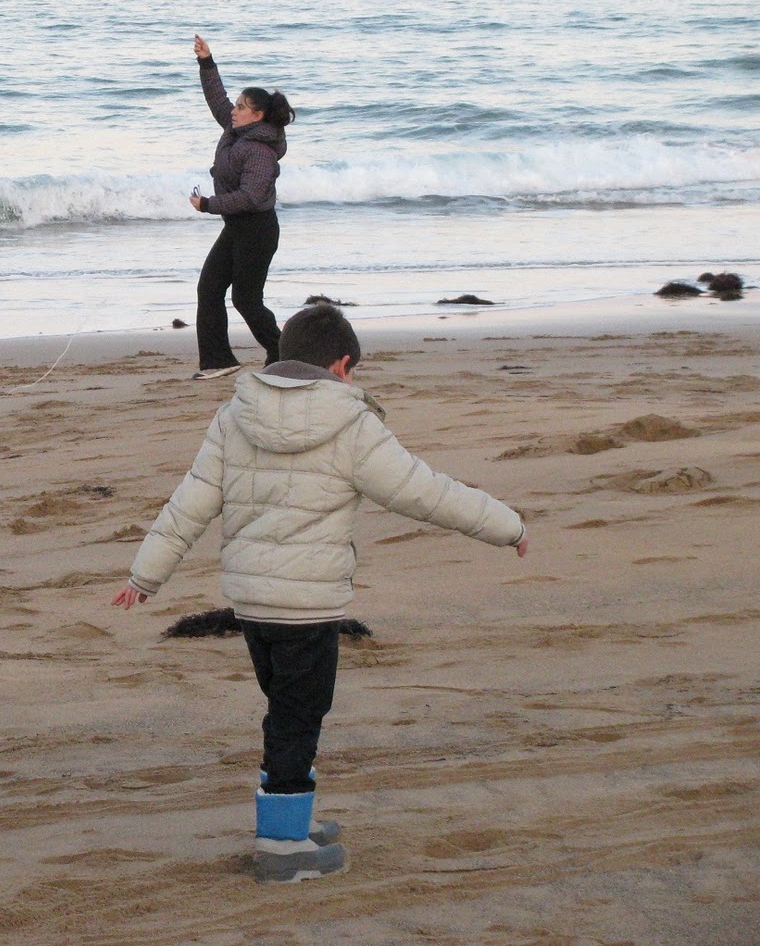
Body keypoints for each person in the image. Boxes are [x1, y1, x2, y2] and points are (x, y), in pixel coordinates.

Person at [111, 304, 529, 883]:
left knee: (287, 713)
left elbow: (192, 501)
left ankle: (290, 820)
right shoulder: (353, 425)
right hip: (308, 609)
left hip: (252, 608)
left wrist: (145, 575)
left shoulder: (235, 414)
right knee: (296, 719)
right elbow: (425, 492)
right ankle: (283, 847)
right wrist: (508, 525)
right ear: (341, 366)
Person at [188, 34, 294, 380]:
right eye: (235, 106)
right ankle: (218, 361)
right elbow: (215, 98)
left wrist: (208, 204)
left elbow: (249, 196)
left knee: (246, 301)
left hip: (257, 230)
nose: (232, 111)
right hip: (236, 229)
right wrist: (207, 61)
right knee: (209, 289)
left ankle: (282, 352)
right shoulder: (235, 130)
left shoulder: (261, 151)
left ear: (258, 115)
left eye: (240, 107)